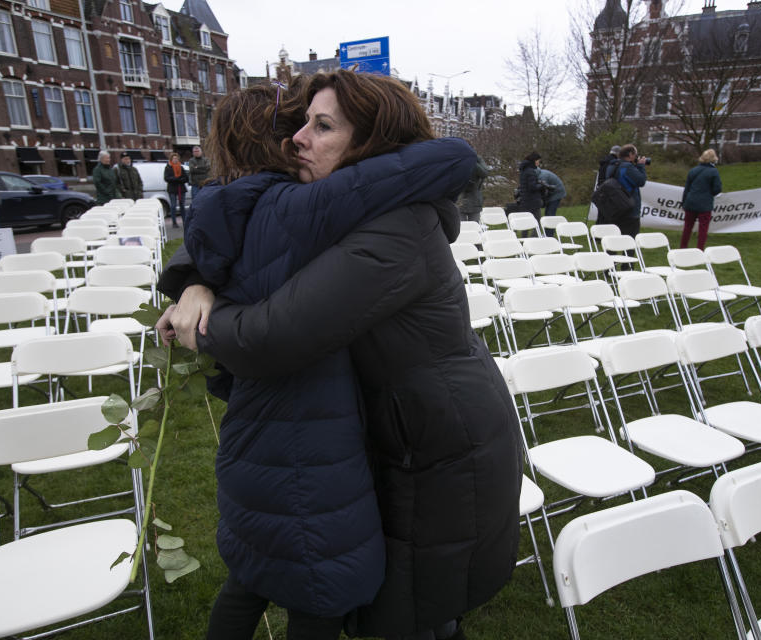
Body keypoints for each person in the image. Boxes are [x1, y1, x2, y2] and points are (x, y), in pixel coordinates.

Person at [158, 70, 522, 640]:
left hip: (436, 439)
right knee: (393, 597)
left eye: (322, 126)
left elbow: (270, 336)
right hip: (396, 427)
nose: (297, 138)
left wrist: (198, 328)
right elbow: (249, 227)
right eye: (303, 122)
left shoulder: (396, 228)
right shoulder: (347, 211)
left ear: (370, 144)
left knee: (412, 606)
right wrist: (195, 280)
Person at [680, 148, 722, 250]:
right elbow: (717, 189)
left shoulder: (693, 170)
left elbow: (687, 189)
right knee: (703, 228)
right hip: (704, 204)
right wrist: (709, 193)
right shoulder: (713, 172)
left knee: (687, 227)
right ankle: (700, 249)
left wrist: (684, 202)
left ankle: (683, 247)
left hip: (690, 202)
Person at [613, 144, 648, 238]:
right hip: (629, 209)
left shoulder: (614, 164)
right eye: (635, 155)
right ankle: (628, 253)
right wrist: (640, 166)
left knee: (614, 238)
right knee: (630, 240)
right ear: (630, 154)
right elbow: (641, 181)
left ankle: (610, 252)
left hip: (615, 207)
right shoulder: (627, 167)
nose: (636, 157)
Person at [457, 154, 489, 223]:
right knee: (461, 227)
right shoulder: (457, 160)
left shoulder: (477, 159)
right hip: (460, 200)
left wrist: (473, 162)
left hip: (475, 200)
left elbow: (485, 173)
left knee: (475, 226)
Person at [517, 151, 544, 224]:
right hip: (533, 201)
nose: (539, 163)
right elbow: (532, 187)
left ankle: (524, 236)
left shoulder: (523, 171)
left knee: (525, 223)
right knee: (537, 223)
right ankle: (535, 236)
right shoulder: (531, 171)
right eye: (538, 161)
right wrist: (541, 185)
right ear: (534, 160)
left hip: (524, 200)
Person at [163, 152, 188, 228]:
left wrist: (180, 180)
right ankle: (174, 222)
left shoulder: (181, 167)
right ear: (171, 159)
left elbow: (186, 178)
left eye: (176, 158)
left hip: (181, 188)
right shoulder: (168, 168)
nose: (175, 160)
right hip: (172, 188)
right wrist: (175, 179)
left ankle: (185, 221)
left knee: (182, 206)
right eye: (174, 158)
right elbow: (166, 178)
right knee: (173, 206)